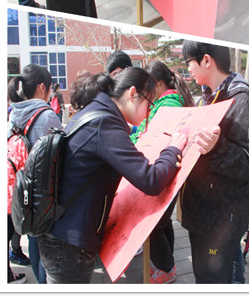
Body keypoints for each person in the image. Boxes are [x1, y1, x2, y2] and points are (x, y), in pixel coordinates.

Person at [37, 68, 197, 284]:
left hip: (60, 230)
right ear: (133, 93)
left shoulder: (96, 111)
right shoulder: (106, 124)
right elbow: (151, 180)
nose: (148, 112)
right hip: (68, 242)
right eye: (149, 104)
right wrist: (173, 148)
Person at [180, 41, 249, 283]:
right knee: (205, 278)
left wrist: (216, 148)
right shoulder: (206, 98)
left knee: (214, 281)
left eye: (189, 62)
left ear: (206, 60)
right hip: (201, 214)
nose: (188, 69)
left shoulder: (242, 100)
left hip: (220, 222)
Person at [130, 61, 194, 283]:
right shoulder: (163, 102)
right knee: (163, 222)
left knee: (154, 224)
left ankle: (166, 269)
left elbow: (153, 137)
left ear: (157, 83)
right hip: (166, 168)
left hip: (166, 170)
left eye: (147, 86)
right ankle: (167, 266)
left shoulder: (169, 105)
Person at [8, 64, 62, 284]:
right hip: (43, 193)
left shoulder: (14, 112)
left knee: (32, 237)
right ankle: (43, 285)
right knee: (44, 241)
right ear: (41, 87)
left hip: (20, 188)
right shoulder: (47, 116)